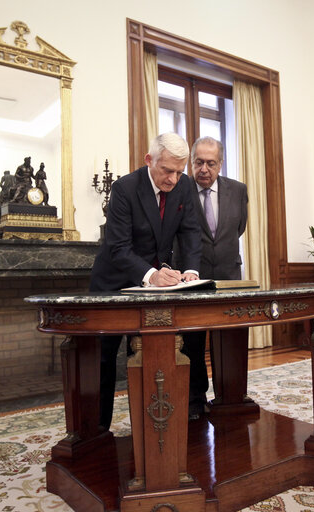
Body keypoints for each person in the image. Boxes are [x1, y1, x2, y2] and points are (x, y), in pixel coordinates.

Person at [89, 132, 203, 431]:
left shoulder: (185, 186)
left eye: (179, 172)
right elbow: (118, 247)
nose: (173, 179)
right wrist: (151, 274)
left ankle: (150, 426)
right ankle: (97, 432)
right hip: (113, 283)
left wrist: (191, 269)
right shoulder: (125, 188)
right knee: (103, 360)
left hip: (155, 287)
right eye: (167, 170)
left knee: (148, 356)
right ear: (149, 160)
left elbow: (191, 231)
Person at [177, 136, 248, 419]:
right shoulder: (180, 189)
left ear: (220, 164)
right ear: (191, 162)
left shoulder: (238, 190)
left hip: (229, 274)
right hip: (192, 276)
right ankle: (195, 400)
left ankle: (231, 395)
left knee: (230, 337)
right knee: (192, 341)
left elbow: (238, 228)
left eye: (210, 163)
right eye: (198, 162)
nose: (203, 169)